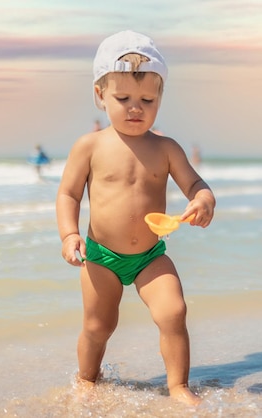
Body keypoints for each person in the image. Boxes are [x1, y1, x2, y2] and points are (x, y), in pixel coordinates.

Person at [55, 30, 215, 406]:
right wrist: (68, 235)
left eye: (147, 99)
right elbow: (68, 193)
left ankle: (178, 386)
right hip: (101, 256)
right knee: (99, 326)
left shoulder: (166, 148)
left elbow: (195, 183)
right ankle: (87, 381)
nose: (135, 107)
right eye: (123, 98)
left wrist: (203, 199)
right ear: (100, 95)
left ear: (160, 97)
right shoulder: (90, 146)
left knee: (174, 312)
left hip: (150, 256)